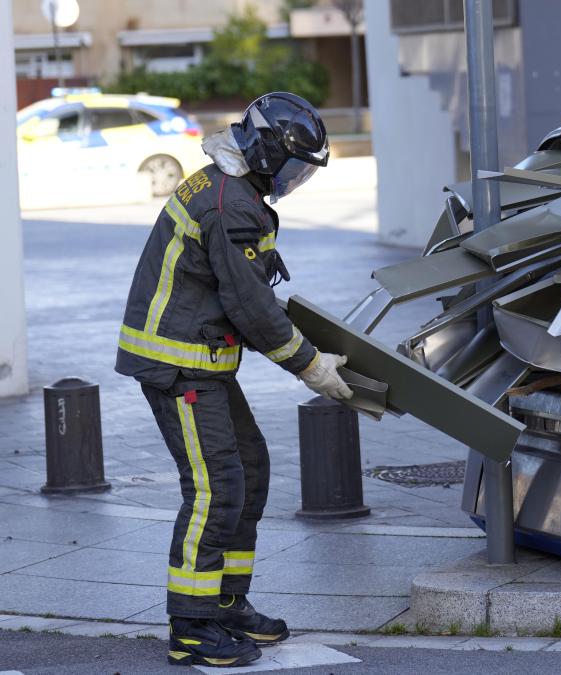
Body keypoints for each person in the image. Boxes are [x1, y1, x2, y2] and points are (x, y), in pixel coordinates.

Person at [115, 92, 352, 668]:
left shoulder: (229, 185)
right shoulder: (231, 204)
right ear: (267, 150)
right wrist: (310, 364)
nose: (292, 181)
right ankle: (192, 626)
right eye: (293, 168)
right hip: (179, 365)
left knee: (248, 469)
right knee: (215, 487)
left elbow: (246, 295)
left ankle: (224, 601)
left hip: (203, 359)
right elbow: (249, 305)